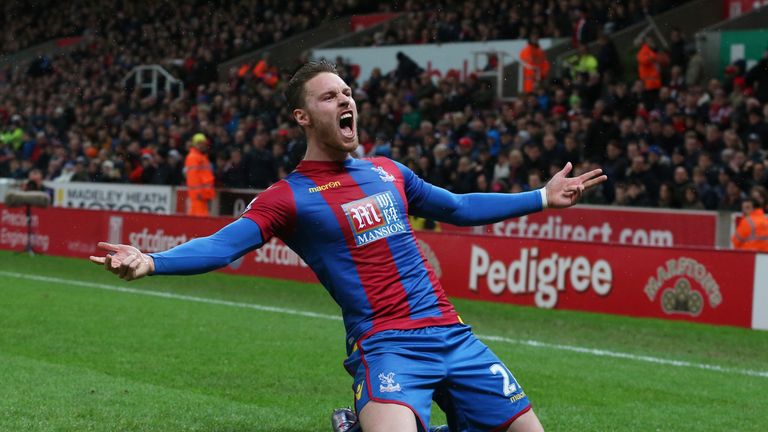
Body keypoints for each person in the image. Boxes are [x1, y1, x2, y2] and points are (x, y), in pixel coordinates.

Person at [89, 61, 606, 432]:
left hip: (451, 334)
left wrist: (541, 196)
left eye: (347, 92)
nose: (346, 100)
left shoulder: (388, 171)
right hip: (386, 345)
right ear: (303, 117)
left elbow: (459, 207)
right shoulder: (288, 196)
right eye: (330, 96)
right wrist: (152, 260)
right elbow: (225, 246)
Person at [184, 133, 215, 216]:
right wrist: (198, 193)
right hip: (199, 196)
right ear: (194, 144)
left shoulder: (201, 156)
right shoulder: (193, 157)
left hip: (203, 195)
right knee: (199, 219)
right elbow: (193, 178)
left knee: (199, 219)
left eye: (203, 143)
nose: (202, 145)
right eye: (199, 143)